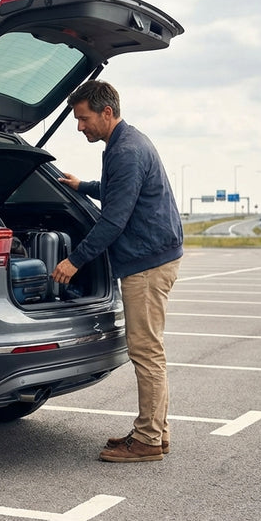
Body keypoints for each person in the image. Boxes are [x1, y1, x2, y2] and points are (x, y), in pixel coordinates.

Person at [50, 80, 184, 463]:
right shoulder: (125, 144)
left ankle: (145, 442)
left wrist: (75, 260)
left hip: (148, 262)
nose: (80, 126)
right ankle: (156, 433)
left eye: (83, 118)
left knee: (145, 350)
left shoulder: (125, 150)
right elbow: (119, 190)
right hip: (155, 254)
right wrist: (84, 185)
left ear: (106, 113)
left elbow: (113, 220)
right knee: (150, 349)